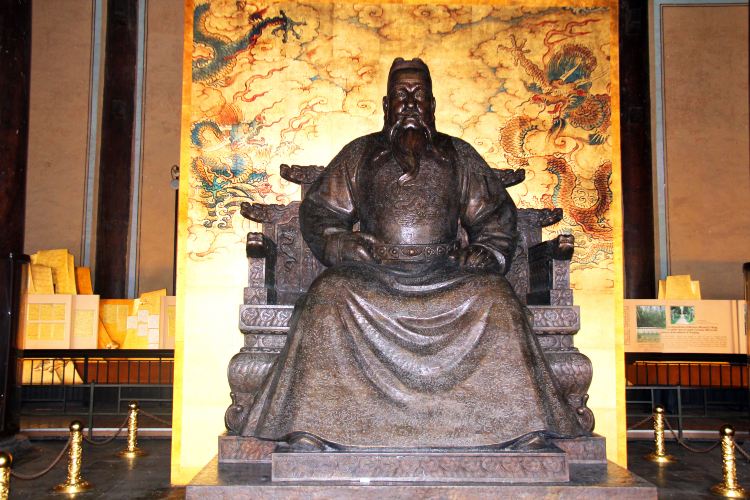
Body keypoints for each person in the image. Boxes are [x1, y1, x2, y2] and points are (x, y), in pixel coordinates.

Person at [246, 57, 585, 450]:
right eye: (401, 95)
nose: (409, 104)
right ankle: (313, 428)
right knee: (328, 295)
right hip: (375, 272)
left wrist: (486, 252)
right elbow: (321, 210)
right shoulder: (360, 154)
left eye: (418, 95)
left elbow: (494, 216)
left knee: (497, 299)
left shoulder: (458, 155)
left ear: (433, 105)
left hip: (446, 272)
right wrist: (340, 243)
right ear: (386, 105)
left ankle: (522, 427)